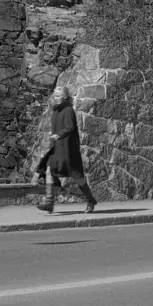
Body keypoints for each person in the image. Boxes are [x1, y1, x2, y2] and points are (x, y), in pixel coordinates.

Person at [35, 85, 97, 214]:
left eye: (57, 96)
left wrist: (59, 134)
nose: (55, 98)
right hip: (57, 148)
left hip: (68, 150)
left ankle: (90, 200)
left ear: (64, 97)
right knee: (48, 170)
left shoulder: (68, 110)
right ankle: (49, 203)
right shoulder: (56, 111)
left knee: (77, 177)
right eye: (54, 95)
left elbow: (70, 127)